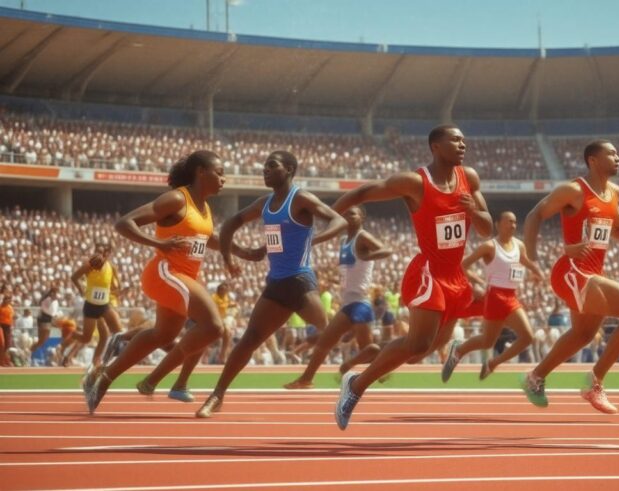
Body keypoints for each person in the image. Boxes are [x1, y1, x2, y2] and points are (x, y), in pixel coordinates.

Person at [330, 125, 492, 430]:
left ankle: (361, 379)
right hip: (429, 272)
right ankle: (356, 386)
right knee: (417, 345)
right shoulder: (415, 183)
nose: (463, 143)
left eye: (463, 139)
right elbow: (364, 192)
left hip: (456, 277)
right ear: (435, 146)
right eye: (455, 139)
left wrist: (473, 211)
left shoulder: (468, 178)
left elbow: (488, 229)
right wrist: (327, 217)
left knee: (421, 351)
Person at [82, 150, 262, 413]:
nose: (224, 179)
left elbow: (207, 238)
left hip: (182, 277)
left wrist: (242, 252)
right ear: (201, 172)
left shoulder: (205, 207)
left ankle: (101, 378)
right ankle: (156, 380)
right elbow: (124, 223)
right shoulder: (178, 199)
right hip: (164, 273)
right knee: (213, 326)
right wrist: (158, 243)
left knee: (162, 334)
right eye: (219, 173)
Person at [195, 150, 346, 418]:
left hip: (300, 281)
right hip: (276, 285)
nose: (265, 170)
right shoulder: (264, 203)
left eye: (271, 165)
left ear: (288, 170)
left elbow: (339, 220)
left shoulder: (300, 198)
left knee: (331, 331)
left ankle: (350, 373)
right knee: (248, 341)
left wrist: (315, 240)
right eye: (264, 166)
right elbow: (230, 223)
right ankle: (216, 395)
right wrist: (229, 257)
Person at [520, 139, 619, 414]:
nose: (618, 157)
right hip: (572, 272)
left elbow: (618, 231)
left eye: (618, 152)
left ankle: (534, 378)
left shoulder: (614, 192)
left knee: (583, 334)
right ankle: (595, 383)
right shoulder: (574, 190)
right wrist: (532, 256)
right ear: (593, 160)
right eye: (612, 153)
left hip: (592, 273)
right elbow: (535, 215)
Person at [285, 206, 393, 389]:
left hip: (361, 303)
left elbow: (387, 250)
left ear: (362, 218)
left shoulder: (363, 237)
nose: (348, 216)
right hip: (346, 303)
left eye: (353, 213)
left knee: (368, 349)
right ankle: (306, 379)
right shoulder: (343, 240)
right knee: (325, 342)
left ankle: (354, 365)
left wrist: (367, 255)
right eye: (346, 214)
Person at [441, 211, 543, 381]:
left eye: (515, 222)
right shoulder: (489, 246)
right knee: (499, 340)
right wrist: (478, 282)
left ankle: (486, 361)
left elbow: (523, 259)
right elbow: (462, 266)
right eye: (508, 221)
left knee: (511, 339)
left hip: (511, 297)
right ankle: (462, 352)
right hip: (495, 297)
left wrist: (536, 271)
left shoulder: (519, 245)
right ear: (498, 224)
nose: (513, 225)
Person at [60, 241, 123, 368]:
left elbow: (116, 288)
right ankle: (72, 336)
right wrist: (81, 289)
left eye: (101, 252)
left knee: (117, 333)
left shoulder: (112, 267)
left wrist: (117, 291)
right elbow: (74, 277)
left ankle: (97, 362)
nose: (98, 254)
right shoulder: (89, 266)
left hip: (105, 306)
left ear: (106, 254)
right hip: (91, 307)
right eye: (96, 251)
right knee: (86, 338)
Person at [29, 287, 60, 363]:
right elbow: (47, 311)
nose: (56, 295)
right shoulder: (47, 300)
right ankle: (28, 353)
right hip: (44, 318)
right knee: (41, 340)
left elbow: (54, 312)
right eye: (55, 293)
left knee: (43, 340)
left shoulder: (55, 301)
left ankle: (29, 352)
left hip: (48, 319)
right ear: (51, 293)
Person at [0, 296, 14, 366]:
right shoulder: (1, 307)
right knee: (2, 344)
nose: (8, 301)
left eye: (9, 299)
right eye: (6, 299)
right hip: (1, 326)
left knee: (7, 344)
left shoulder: (10, 308)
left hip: (8, 327)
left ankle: (5, 360)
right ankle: (2, 361)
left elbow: (11, 318)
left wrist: (12, 325)